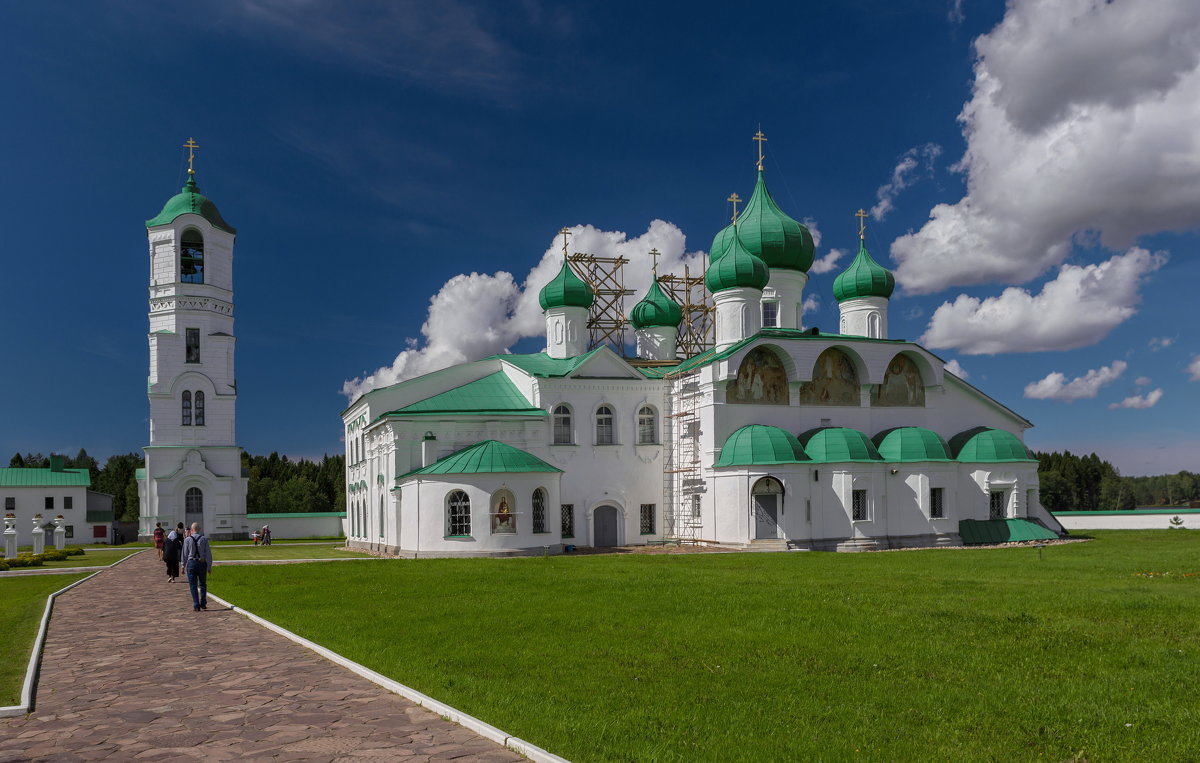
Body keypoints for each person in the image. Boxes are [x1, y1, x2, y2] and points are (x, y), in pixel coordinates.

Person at [181, 522, 213, 612]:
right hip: (202, 563)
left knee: (193, 585)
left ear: (191, 530)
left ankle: (196, 604)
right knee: (202, 584)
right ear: (199, 529)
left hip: (191, 563)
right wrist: (209, 566)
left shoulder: (187, 540)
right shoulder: (204, 539)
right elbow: (208, 554)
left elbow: (184, 554)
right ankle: (203, 603)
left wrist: (183, 566)